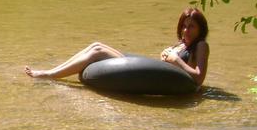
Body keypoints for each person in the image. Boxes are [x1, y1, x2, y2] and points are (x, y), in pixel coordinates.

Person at [24, 7, 210, 87]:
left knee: (97, 51)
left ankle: (49, 75)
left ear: (200, 28)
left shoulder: (201, 45)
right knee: (96, 45)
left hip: (153, 74)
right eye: (184, 26)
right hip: (150, 70)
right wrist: (167, 56)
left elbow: (199, 79)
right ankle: (53, 71)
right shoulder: (182, 44)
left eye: (191, 26)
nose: (186, 30)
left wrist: (176, 60)